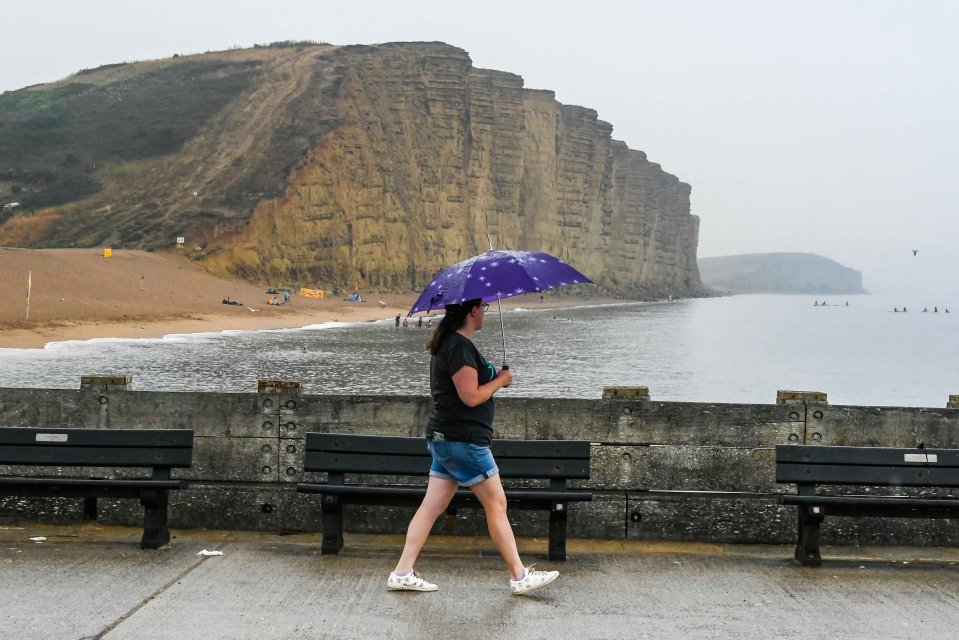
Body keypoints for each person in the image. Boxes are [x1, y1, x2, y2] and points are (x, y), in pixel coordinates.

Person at [387, 298, 558, 596]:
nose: (485, 313)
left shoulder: (450, 344)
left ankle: (402, 572)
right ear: (473, 311)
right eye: (484, 308)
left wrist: (495, 378)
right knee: (496, 504)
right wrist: (501, 380)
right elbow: (470, 396)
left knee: (431, 507)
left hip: (445, 441)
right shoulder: (459, 347)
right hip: (463, 442)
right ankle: (519, 576)